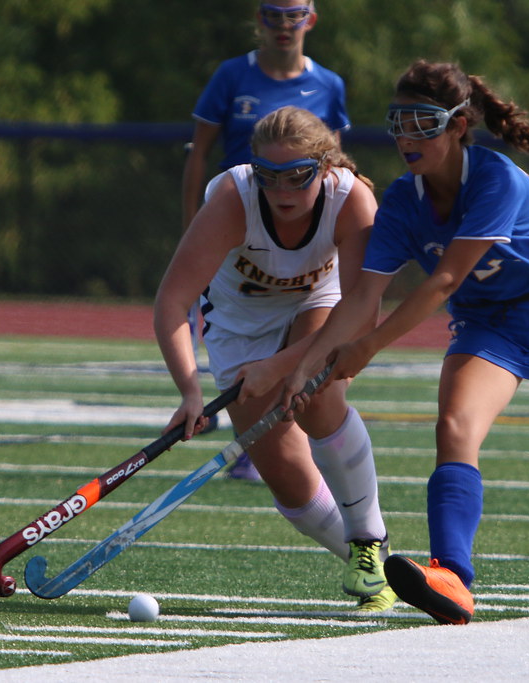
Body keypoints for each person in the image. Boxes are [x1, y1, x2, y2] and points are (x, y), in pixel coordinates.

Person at [282, 60, 529, 624]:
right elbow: (362, 299)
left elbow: (444, 280)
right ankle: (453, 578)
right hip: (490, 322)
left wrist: (368, 349)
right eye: (397, 123)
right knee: (454, 427)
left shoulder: (496, 178)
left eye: (422, 123)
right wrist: (308, 363)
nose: (406, 138)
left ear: (459, 125)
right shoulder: (400, 201)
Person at [155, 106, 394, 612]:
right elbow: (173, 303)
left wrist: (284, 367)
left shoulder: (352, 201)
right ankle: (378, 565)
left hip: (323, 305)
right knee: (285, 472)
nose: (282, 192)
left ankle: (370, 543)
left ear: (325, 169)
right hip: (240, 327)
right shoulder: (231, 199)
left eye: (297, 177)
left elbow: (360, 311)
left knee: (317, 399)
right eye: (269, 176)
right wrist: (190, 390)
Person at [181, 1, 351, 479]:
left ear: (310, 20)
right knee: (243, 336)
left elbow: (338, 161)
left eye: (294, 14)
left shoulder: (329, 84)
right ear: (259, 18)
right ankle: (262, 444)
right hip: (242, 233)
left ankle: (346, 498)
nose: (283, 25)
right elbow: (200, 153)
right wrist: (192, 221)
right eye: (272, 13)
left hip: (306, 242)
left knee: (314, 352)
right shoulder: (231, 75)